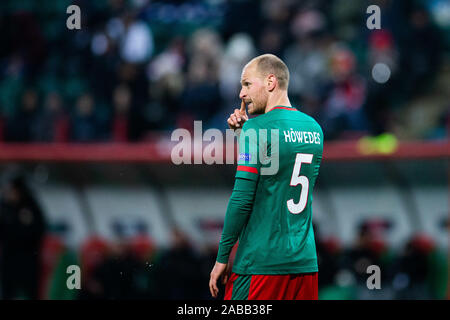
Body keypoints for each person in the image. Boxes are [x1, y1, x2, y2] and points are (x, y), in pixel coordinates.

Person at [209, 54, 323, 300]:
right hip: (304, 265)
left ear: (271, 82)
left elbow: (242, 198)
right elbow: (277, 174)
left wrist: (222, 257)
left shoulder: (257, 130)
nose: (241, 93)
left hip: (261, 264)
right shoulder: (314, 129)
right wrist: (243, 135)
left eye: (247, 84)